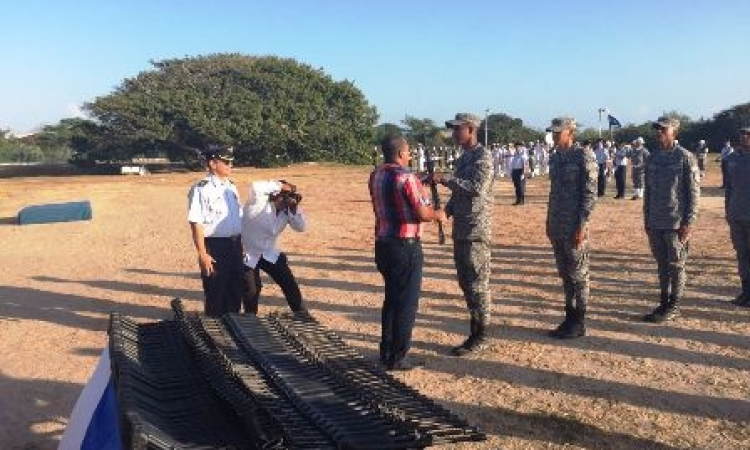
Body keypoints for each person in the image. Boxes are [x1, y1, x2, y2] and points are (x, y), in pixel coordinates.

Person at [369, 134, 447, 371]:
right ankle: (399, 356)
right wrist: (438, 215)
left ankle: (386, 351)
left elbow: (400, 188)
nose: (410, 155)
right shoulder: (407, 177)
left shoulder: (376, 174)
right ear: (402, 153)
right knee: (406, 303)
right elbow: (423, 213)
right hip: (406, 246)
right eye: (409, 152)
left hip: (384, 244)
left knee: (392, 299)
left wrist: (423, 179)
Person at [431, 113, 494, 356]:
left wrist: (445, 179)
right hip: (462, 229)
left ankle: (481, 335)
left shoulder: (483, 156)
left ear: (470, 129)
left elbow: (477, 188)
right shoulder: (463, 158)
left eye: (458, 129)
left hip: (477, 230)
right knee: (466, 283)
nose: (454, 134)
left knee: (478, 284)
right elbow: (459, 194)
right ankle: (474, 330)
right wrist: (445, 211)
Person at [642, 117, 700, 323]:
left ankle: (674, 305)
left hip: (675, 223)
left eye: (663, 129)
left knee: (676, 266)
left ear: (674, 131)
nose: (659, 132)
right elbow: (648, 191)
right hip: (656, 221)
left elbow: (693, 194)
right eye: (657, 129)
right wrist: (646, 218)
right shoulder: (653, 157)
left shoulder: (685, 157)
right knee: (662, 265)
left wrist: (688, 223)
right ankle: (664, 302)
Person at [545, 118, 598, 338]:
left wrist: (582, 225)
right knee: (565, 274)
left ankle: (579, 321)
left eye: (559, 132)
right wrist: (549, 221)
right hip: (558, 224)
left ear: (570, 133)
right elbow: (553, 192)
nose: (555, 136)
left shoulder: (583, 155)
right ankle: (569, 317)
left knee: (578, 274)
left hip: (575, 226)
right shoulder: (556, 157)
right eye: (553, 132)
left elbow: (590, 194)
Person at [187, 145, 244, 317]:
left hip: (235, 245)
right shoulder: (201, 188)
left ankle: (233, 334)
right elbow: (196, 222)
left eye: (231, 162)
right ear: (213, 163)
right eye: (226, 162)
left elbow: (238, 218)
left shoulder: (231, 187)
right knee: (215, 294)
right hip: (216, 246)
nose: (230, 165)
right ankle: (214, 339)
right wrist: (203, 253)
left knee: (235, 292)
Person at [241, 179, 307, 315]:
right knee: (252, 289)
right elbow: (255, 185)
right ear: (276, 195)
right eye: (285, 197)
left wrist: (294, 210)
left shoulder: (286, 211)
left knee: (288, 281)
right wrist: (280, 185)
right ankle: (250, 318)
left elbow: (301, 227)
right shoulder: (258, 203)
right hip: (248, 252)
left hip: (268, 253)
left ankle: (301, 314)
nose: (286, 202)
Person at [724, 126, 750, 307]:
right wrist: (728, 211)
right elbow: (729, 189)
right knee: (741, 254)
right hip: (736, 214)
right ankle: (745, 292)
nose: (745, 137)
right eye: (742, 134)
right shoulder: (731, 159)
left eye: (748, 135)